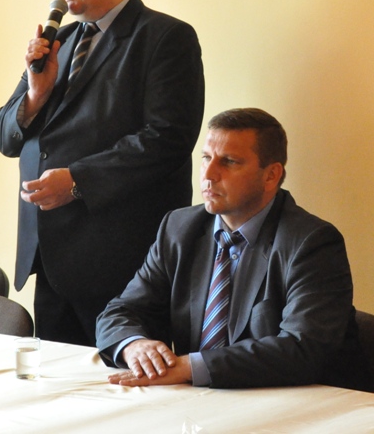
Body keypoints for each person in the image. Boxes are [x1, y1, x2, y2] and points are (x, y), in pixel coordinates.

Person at [0, 0, 205, 346]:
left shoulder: (165, 38)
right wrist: (35, 94)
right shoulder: (61, 41)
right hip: (50, 257)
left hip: (121, 260)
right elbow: (5, 136)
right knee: (58, 380)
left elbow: (167, 138)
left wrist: (78, 181)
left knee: (123, 379)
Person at [95, 108, 359, 388]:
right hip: (196, 400)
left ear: (271, 175)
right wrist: (134, 345)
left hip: (293, 401)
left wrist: (191, 367)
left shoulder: (312, 242)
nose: (209, 174)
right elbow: (120, 311)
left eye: (229, 162)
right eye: (206, 158)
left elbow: (303, 348)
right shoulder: (180, 228)